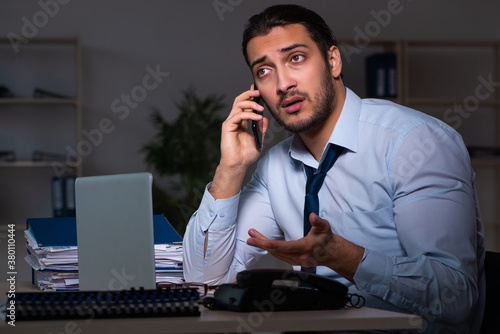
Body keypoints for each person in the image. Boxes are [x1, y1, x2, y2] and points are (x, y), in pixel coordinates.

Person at [183, 4, 485, 333]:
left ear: (333, 61)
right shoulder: (275, 166)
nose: (283, 83)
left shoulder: (415, 142)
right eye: (264, 71)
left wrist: (344, 257)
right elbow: (204, 278)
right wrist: (231, 167)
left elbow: (456, 297)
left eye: (296, 58)